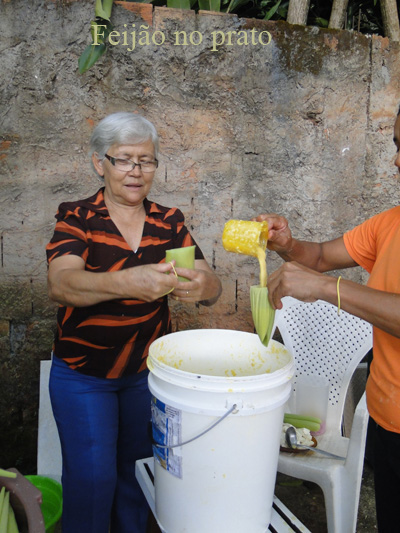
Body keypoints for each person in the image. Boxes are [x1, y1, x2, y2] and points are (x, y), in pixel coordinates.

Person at [45, 112, 222, 533]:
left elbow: (210, 283)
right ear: (99, 163)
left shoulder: (168, 221)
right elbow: (62, 284)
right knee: (92, 481)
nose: (136, 171)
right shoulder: (78, 217)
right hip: (84, 374)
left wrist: (204, 286)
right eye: (124, 159)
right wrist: (129, 281)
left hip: (146, 374)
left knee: (139, 475)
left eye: (146, 160)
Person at [254, 107, 400, 533]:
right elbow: (318, 257)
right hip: (387, 418)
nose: (396, 160)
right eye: (396, 145)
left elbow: (322, 279)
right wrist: (287, 243)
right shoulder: (389, 224)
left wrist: (324, 289)